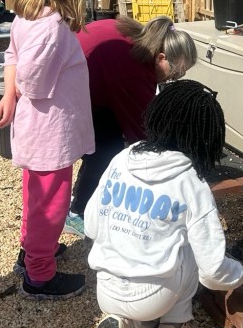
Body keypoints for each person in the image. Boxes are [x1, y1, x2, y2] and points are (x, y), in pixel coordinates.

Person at [85, 79, 243, 328]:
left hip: (106, 289)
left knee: (161, 245)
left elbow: (92, 224)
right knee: (191, 248)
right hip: (155, 295)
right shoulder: (190, 182)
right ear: (205, 135)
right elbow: (212, 272)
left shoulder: (121, 160)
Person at [0, 0, 95, 299]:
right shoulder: (51, 28)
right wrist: (17, 90)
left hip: (38, 130)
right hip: (49, 132)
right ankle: (39, 275)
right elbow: (33, 82)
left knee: (36, 197)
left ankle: (33, 251)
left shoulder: (28, 16)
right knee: (51, 204)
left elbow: (11, 55)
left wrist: (9, 94)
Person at [67, 15, 197, 229]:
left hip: (82, 76)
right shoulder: (134, 72)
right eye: (175, 73)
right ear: (161, 58)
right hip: (68, 91)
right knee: (107, 150)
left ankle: (80, 200)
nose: (173, 79)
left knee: (105, 141)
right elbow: (142, 131)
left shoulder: (135, 36)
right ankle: (78, 211)